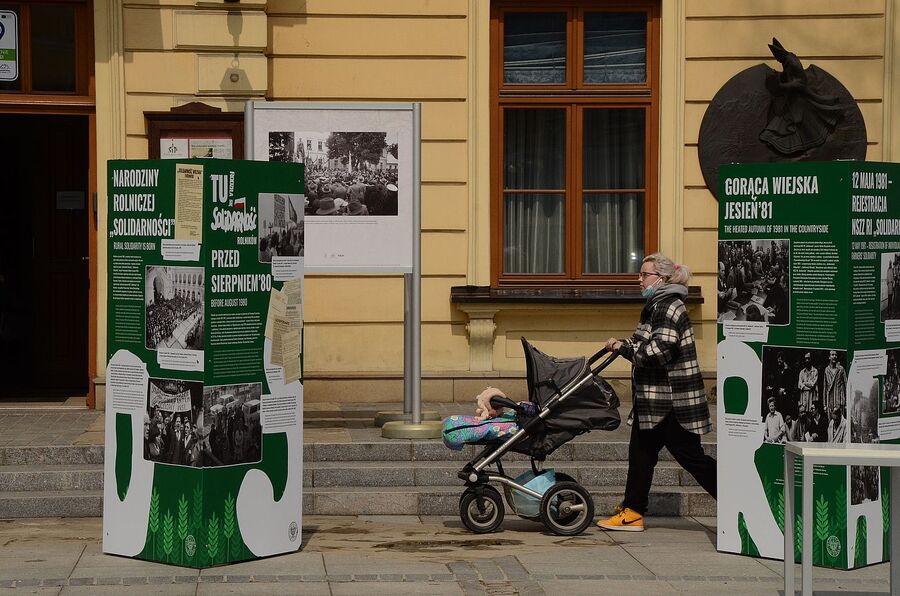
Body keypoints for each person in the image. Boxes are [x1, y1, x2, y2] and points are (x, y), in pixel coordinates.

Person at [596, 253, 716, 532]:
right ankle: (632, 510)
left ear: (660, 279)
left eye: (643, 274)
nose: (639, 279)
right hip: (657, 401)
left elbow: (658, 352)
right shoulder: (656, 305)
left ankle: (738, 499)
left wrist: (624, 349)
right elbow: (644, 340)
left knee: (692, 459)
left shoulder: (668, 307)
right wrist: (624, 343)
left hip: (671, 401)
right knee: (641, 454)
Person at [822, 350, 847, 415]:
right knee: (831, 423)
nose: (834, 356)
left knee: (841, 422)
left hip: (840, 401)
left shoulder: (841, 369)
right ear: (829, 357)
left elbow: (846, 385)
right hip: (830, 402)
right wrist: (824, 405)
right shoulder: (826, 370)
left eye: (836, 355)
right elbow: (825, 388)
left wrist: (847, 403)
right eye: (832, 355)